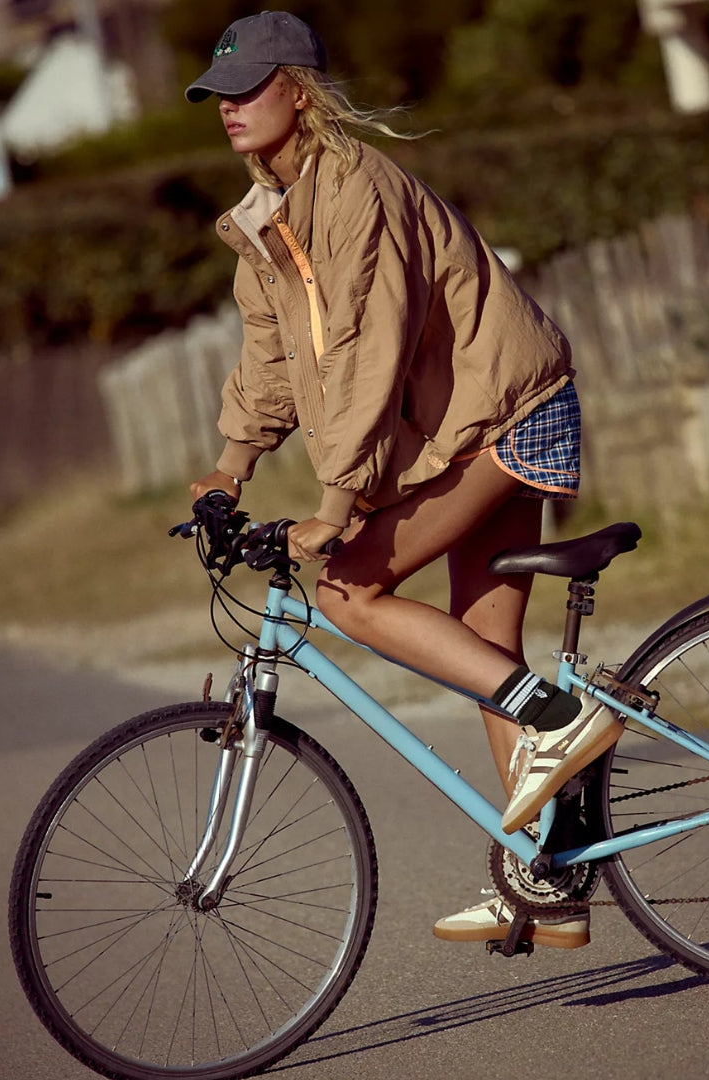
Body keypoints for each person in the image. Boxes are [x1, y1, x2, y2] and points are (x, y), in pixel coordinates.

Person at [186, 9, 623, 950]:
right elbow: (273, 355)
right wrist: (231, 463)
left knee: (349, 591)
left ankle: (562, 720)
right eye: (218, 93)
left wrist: (336, 502)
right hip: (465, 432)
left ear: (299, 91)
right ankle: (550, 877)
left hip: (508, 415)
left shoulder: (358, 192)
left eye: (247, 88)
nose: (228, 107)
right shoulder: (269, 215)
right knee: (483, 651)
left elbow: (366, 354)